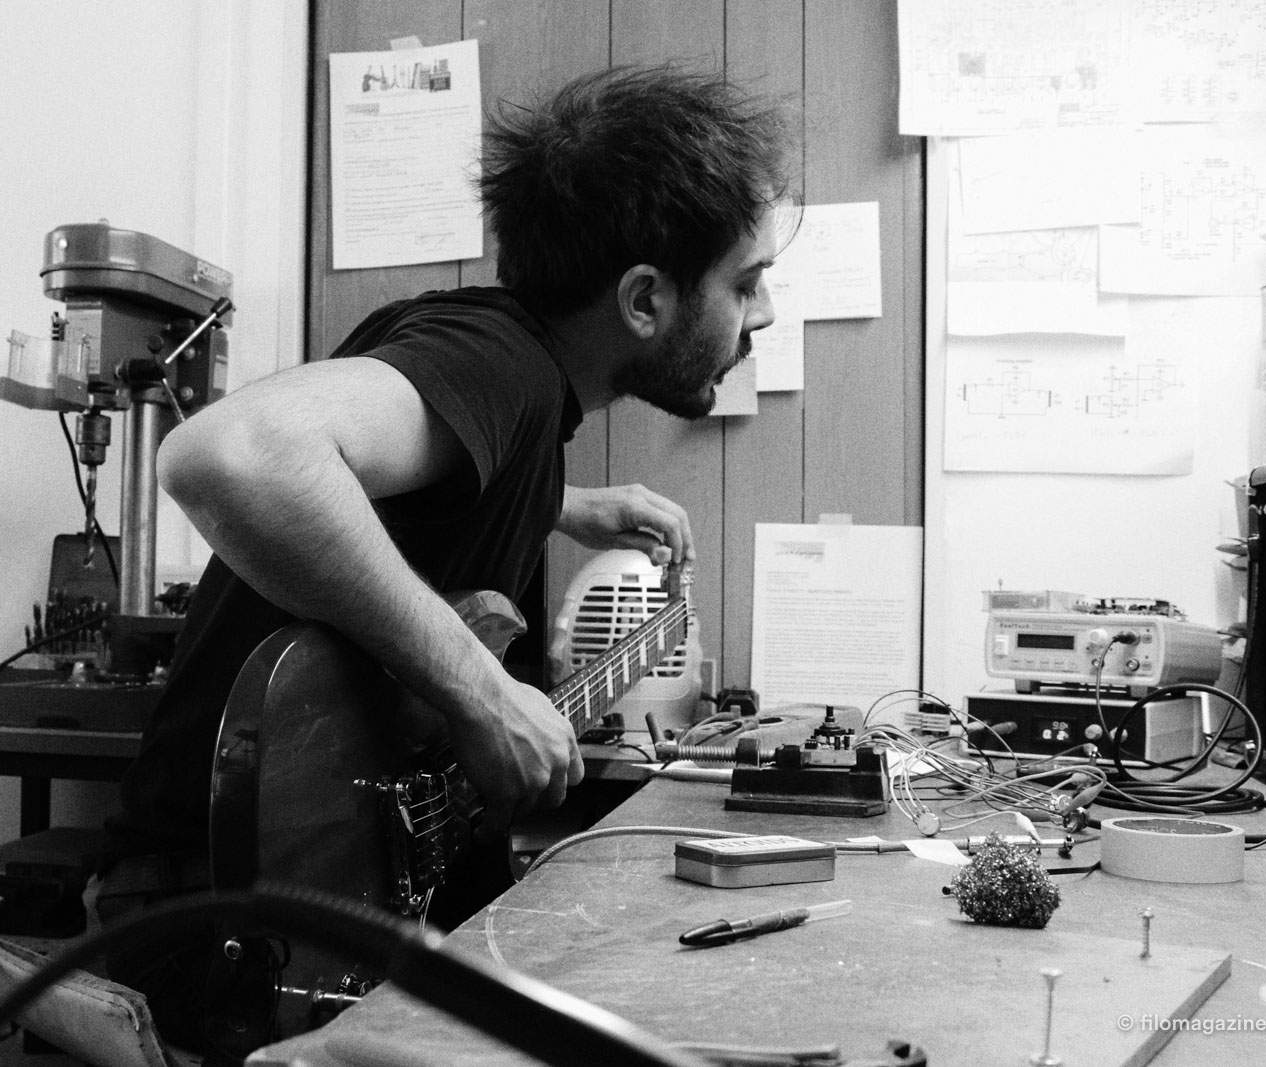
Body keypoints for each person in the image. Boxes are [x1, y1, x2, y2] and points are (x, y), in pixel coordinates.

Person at [91, 63, 795, 1061]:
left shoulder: (508, 375)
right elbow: (232, 453)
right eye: (746, 283)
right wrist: (483, 693)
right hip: (220, 942)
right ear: (643, 299)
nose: (761, 315)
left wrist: (564, 504)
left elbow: (412, 486)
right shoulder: (498, 365)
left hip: (263, 913)